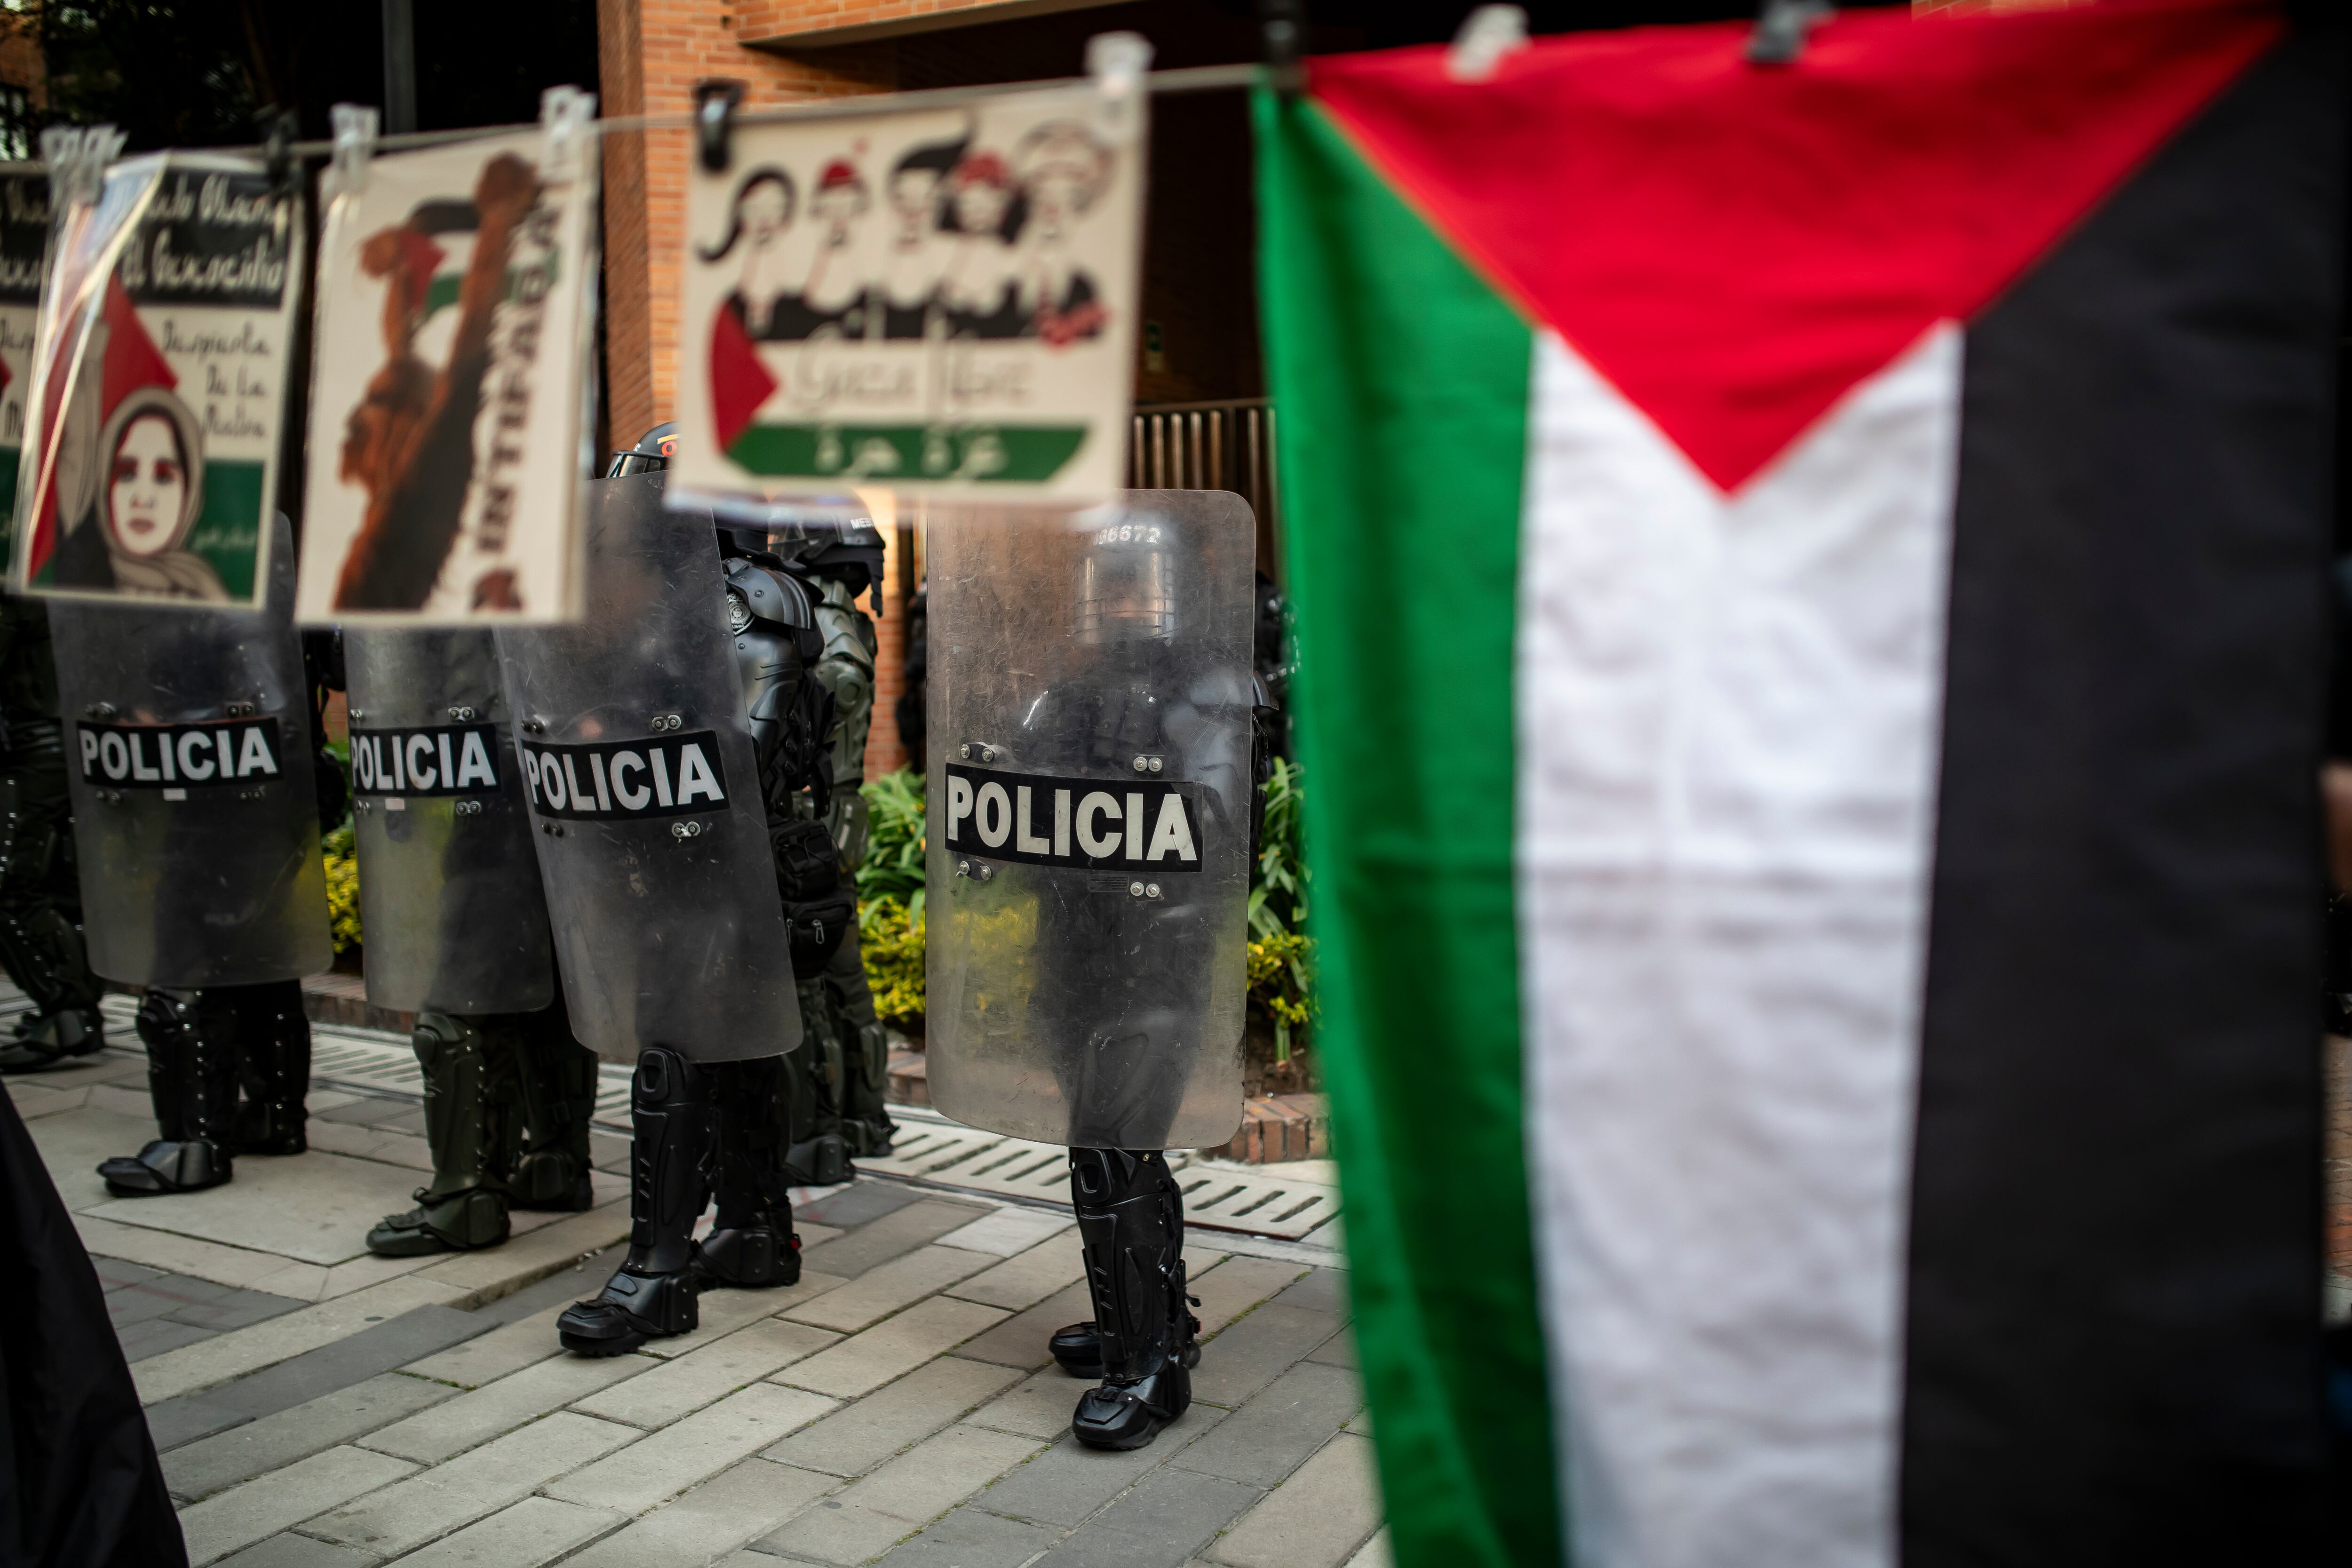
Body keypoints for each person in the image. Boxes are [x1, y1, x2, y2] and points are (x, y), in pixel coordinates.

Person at [927, 493, 1260, 1449]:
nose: (1120, 602)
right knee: (1106, 1145)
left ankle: (1148, 1366)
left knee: (1115, 1149)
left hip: (1154, 961)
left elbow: (1216, 830)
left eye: (1137, 585)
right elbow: (1010, 810)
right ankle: (1152, 1318)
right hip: (1071, 952)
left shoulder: (1210, 695)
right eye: (1107, 585)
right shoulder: (1064, 695)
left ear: (1173, 589)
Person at [509, 429, 839, 1354]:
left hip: (733, 866)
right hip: (679, 859)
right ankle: (754, 1229)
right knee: (734, 1051)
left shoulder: (752, 601)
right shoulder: (656, 600)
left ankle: (656, 1272)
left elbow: (742, 752)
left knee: (674, 1050)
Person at [65, 516, 336, 1196]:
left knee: (183, 963)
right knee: (262, 961)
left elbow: (248, 697)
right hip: (274, 795)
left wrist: (165, 723)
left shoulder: (216, 599)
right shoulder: (276, 577)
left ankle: (194, 1144)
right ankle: (275, 1113)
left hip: (218, 798)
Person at [331, 626, 598, 1256]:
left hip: (492, 776)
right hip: (557, 773)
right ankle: (557, 1162)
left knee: (459, 996)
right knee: (544, 986)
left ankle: (467, 1197)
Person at [768, 508, 897, 1179]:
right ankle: (861, 1120)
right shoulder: (848, 613)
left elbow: (843, 679)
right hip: (836, 813)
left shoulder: (821, 609)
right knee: (843, 977)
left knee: (811, 979)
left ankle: (818, 1133)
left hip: (811, 816)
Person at [0, 594, 105, 1071]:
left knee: (13, 883)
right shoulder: (60, 575)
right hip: (71, 736)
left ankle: (68, 1009)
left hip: (37, 743)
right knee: (55, 881)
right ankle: (74, 1006)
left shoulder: (18, 579)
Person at [48, 386, 231, 602]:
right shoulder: (74, 582)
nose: (143, 499)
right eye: (126, 475)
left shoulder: (208, 595)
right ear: (105, 486)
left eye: (163, 477)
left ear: (189, 494)